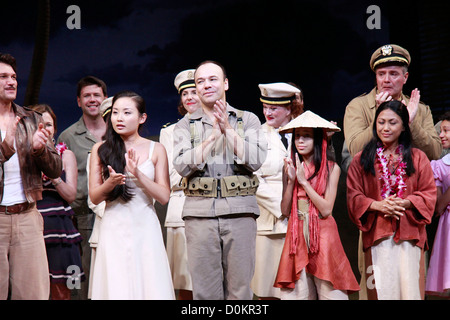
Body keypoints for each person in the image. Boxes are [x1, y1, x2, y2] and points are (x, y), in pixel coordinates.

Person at [341, 44, 441, 298]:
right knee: (376, 288)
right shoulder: (359, 106)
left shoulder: (422, 109)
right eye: (381, 74)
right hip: (375, 217)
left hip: (411, 221)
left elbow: (434, 154)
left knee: (410, 287)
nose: (387, 80)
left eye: (394, 73)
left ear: (405, 77)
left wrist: (411, 119)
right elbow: (354, 150)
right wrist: (380, 114)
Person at [173, 60, 267, 300]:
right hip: (200, 216)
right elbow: (182, 165)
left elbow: (256, 160)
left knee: (240, 290)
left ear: (225, 83)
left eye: (212, 79)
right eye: (200, 81)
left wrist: (228, 130)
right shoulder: (186, 124)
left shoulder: (248, 120)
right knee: (205, 293)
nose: (206, 85)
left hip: (240, 214)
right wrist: (211, 138)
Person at [89, 90, 174, 299]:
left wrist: (138, 175)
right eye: (116, 112)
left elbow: (164, 197)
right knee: (116, 283)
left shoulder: (157, 149)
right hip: (113, 223)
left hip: (144, 225)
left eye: (127, 112)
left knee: (150, 282)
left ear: (142, 118)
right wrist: (110, 182)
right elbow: (94, 197)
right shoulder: (100, 149)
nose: (119, 118)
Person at [347, 100, 436, 300]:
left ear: (404, 125)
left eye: (392, 122)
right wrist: (378, 205)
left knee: (410, 292)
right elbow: (354, 197)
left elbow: (429, 193)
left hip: (410, 237)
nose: (385, 128)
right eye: (381, 122)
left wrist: (405, 202)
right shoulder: (361, 160)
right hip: (377, 236)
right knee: (380, 292)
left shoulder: (418, 157)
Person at [274, 110, 359, 300]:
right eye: (297, 136)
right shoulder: (289, 166)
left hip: (324, 234)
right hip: (296, 234)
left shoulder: (331, 168)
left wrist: (304, 182)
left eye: (307, 136)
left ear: (318, 139)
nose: (300, 141)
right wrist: (291, 181)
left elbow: (327, 209)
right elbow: (285, 210)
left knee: (331, 293)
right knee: (297, 295)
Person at [0, 53, 62, 299]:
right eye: (3, 77)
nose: (11, 81)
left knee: (33, 293)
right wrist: (6, 146)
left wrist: (39, 151)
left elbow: (55, 169)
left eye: (14, 77)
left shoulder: (31, 119)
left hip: (27, 217)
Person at [57, 75, 107, 299]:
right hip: (82, 219)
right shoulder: (67, 136)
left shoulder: (117, 129)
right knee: (81, 277)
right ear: (79, 101)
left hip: (115, 213)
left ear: (105, 99)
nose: (92, 99)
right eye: (87, 96)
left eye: (97, 95)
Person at [250, 82, 302, 300]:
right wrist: (283, 209)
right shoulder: (255, 135)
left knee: (298, 289)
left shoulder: (304, 132)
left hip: (302, 219)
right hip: (270, 221)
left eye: (274, 108)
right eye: (265, 107)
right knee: (267, 288)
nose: (267, 112)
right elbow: (252, 178)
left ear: (289, 109)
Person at [30, 104, 85, 300]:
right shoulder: (24, 156)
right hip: (32, 227)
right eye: (39, 125)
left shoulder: (66, 154)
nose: (45, 129)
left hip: (62, 231)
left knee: (63, 290)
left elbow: (71, 195)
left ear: (55, 128)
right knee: (33, 289)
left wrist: (53, 174)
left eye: (49, 124)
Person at [160, 69, 199, 300]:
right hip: (181, 211)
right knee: (185, 283)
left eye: (194, 92)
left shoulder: (218, 126)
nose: (190, 97)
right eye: (185, 93)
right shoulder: (169, 132)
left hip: (215, 209)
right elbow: (170, 177)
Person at [426, 111, 450, 297]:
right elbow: (438, 206)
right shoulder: (440, 166)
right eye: (441, 130)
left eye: (446, 130)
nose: (441, 135)